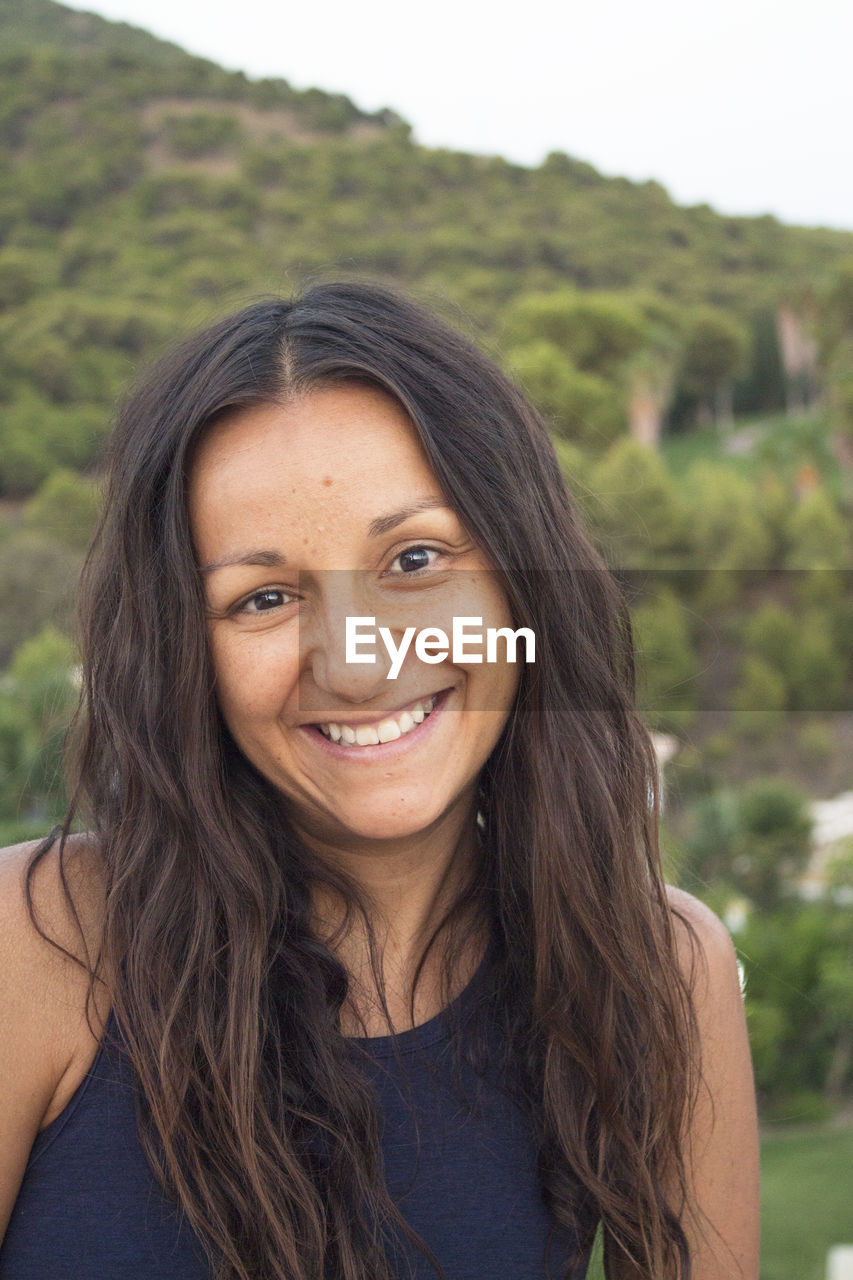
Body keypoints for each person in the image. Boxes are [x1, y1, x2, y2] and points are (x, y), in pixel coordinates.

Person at [0, 281, 759, 1280]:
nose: (357, 662)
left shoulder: (658, 969)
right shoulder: (35, 947)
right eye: (262, 596)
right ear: (187, 653)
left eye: (413, 557)